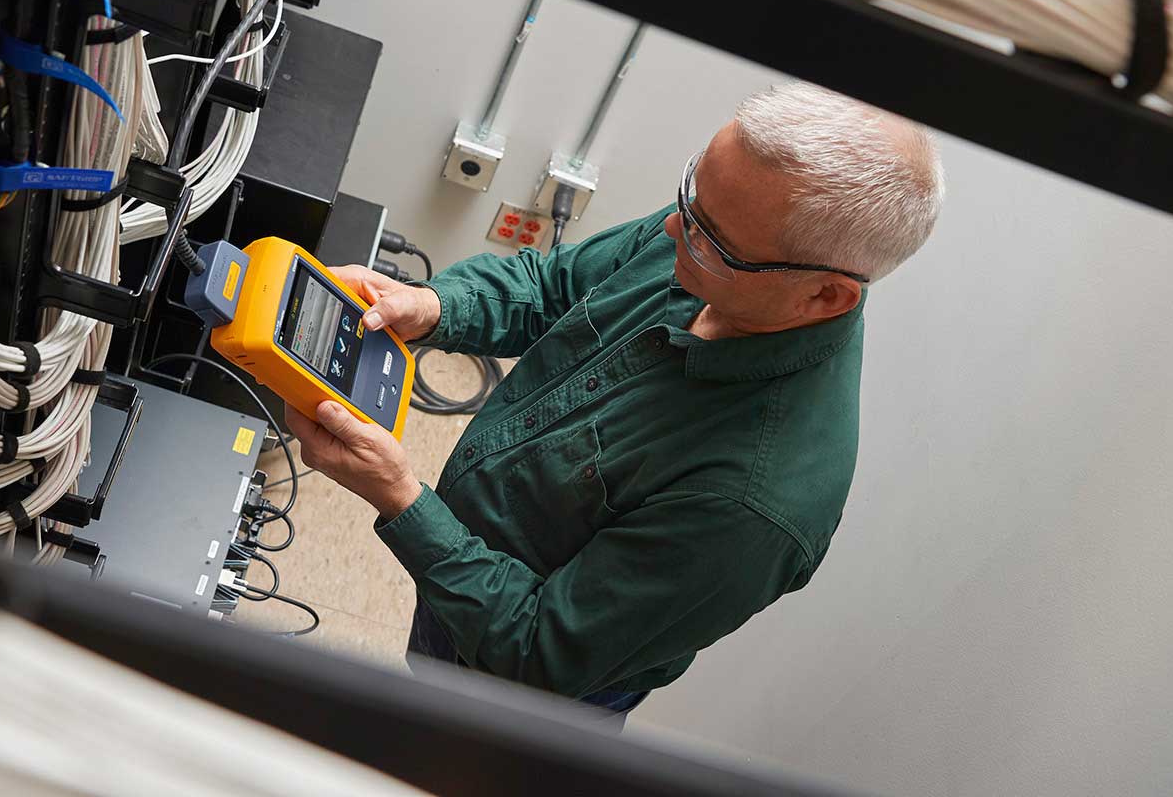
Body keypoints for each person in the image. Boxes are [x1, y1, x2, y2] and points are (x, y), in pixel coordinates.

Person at [284, 81, 945, 726]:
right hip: (461, 583)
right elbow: (553, 285)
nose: (670, 229)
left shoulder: (752, 504)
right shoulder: (715, 231)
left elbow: (537, 654)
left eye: (709, 238)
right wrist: (430, 305)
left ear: (824, 297)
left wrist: (400, 497)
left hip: (520, 696)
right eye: (689, 194)